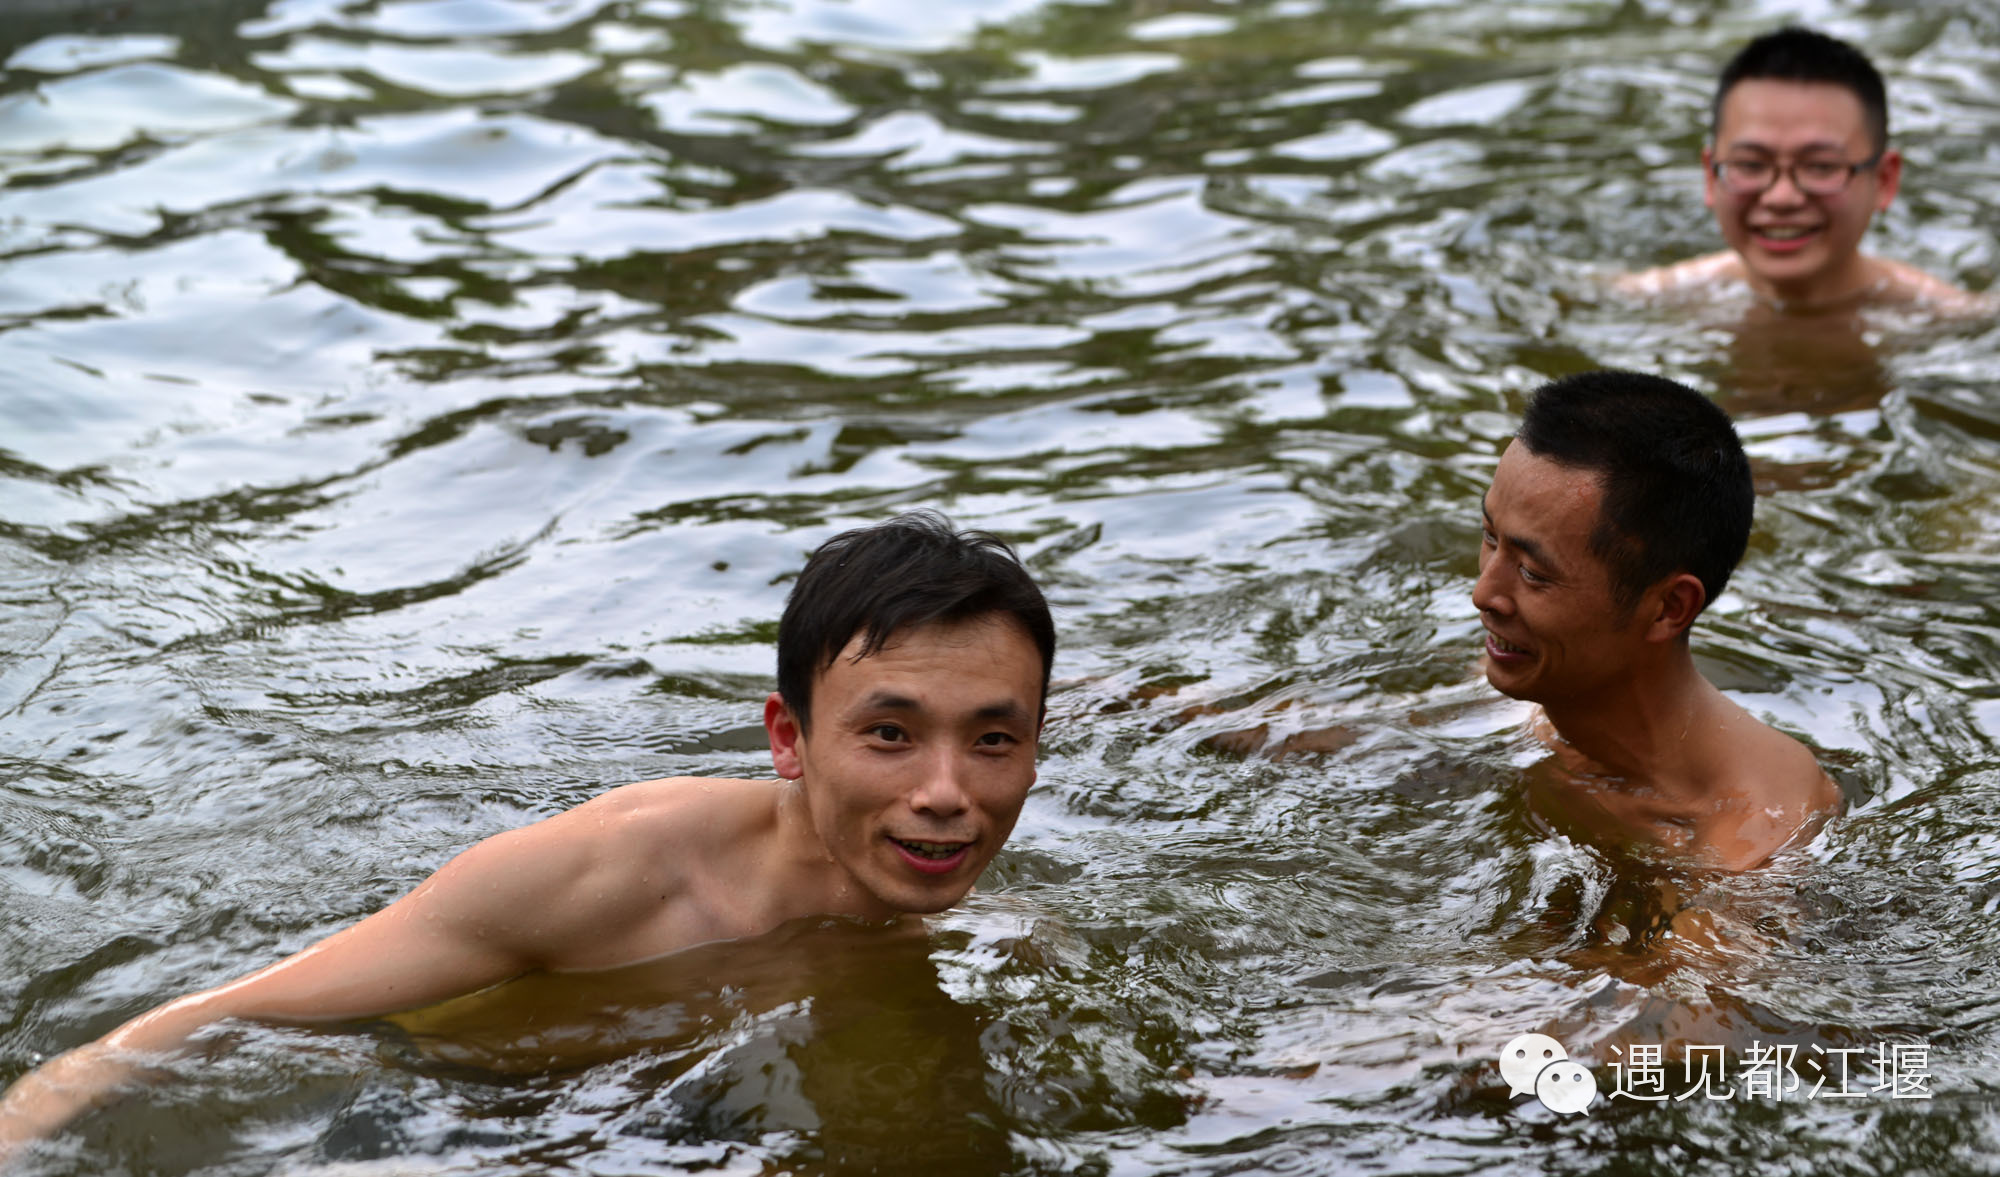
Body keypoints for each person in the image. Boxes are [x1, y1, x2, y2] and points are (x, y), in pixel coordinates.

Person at [0, 510, 1054, 1166]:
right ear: (789, 737)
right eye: (888, 734)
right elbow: (225, 1014)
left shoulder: (931, 908)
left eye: (992, 739)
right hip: (432, 1121)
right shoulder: (610, 873)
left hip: (678, 1107)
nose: (944, 792)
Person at [1475, 370, 1839, 872]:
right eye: (1491, 536)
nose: (1483, 594)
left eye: (1533, 573)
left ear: (1668, 608)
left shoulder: (1750, 840)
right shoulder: (1532, 692)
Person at [1620, 26, 1981, 311]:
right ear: (1710, 175)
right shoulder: (1648, 301)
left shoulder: (1946, 320)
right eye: (1750, 164)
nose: (1781, 197)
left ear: (1885, 180)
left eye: (1821, 167)